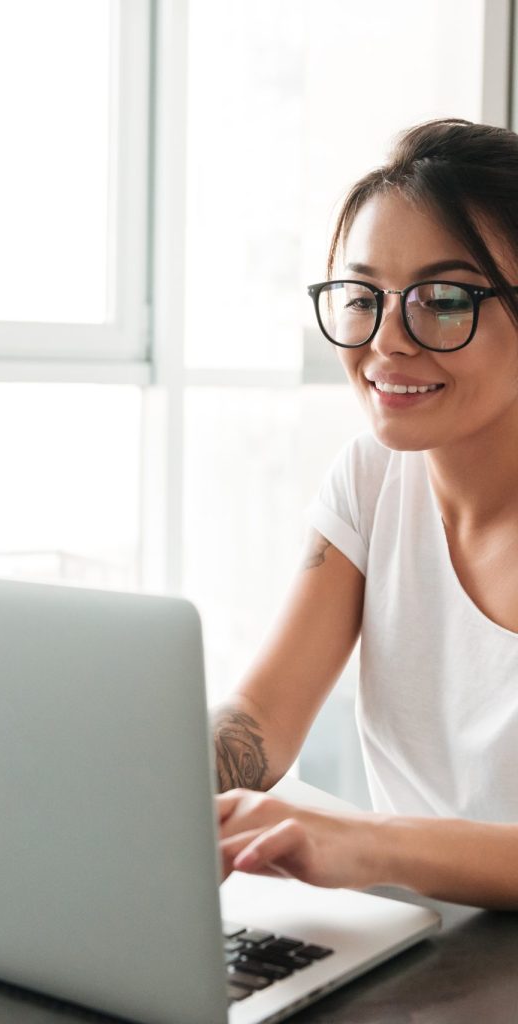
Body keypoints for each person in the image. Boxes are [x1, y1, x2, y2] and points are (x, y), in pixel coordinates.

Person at [214, 118, 518, 911]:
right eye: (362, 298)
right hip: (421, 950)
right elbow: (262, 720)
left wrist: (369, 842)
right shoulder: (372, 476)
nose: (386, 341)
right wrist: (150, 783)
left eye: (443, 300)